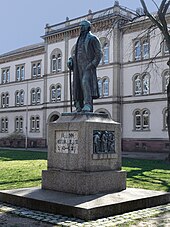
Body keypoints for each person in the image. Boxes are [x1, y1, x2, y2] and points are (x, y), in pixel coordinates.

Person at [67, 20, 102, 112]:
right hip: (78, 67)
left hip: (88, 66)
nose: (81, 28)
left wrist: (92, 64)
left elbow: (99, 54)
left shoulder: (92, 38)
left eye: (82, 26)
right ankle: (78, 105)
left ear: (88, 27)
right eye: (80, 26)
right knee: (77, 85)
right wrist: (71, 60)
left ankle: (88, 104)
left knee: (85, 83)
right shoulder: (79, 40)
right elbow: (76, 54)